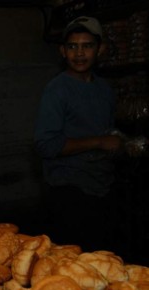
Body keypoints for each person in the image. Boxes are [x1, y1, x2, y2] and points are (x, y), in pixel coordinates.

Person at [34, 16, 123, 251]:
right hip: (70, 191)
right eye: (73, 47)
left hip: (102, 185)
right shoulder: (57, 90)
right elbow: (46, 145)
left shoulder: (104, 88)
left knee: (104, 258)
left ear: (100, 49)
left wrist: (119, 143)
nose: (79, 53)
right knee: (74, 262)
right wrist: (100, 142)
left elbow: (105, 131)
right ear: (63, 51)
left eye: (87, 46)